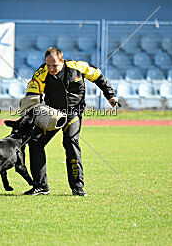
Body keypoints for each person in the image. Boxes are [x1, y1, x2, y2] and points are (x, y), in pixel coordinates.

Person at [23, 47, 118, 196]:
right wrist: (33, 112)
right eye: (48, 65)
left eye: (54, 65)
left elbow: (99, 77)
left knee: (70, 142)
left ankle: (78, 188)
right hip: (52, 113)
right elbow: (33, 93)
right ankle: (41, 186)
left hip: (73, 112)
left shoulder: (78, 66)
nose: (51, 68)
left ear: (62, 61)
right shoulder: (41, 72)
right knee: (35, 141)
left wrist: (110, 95)